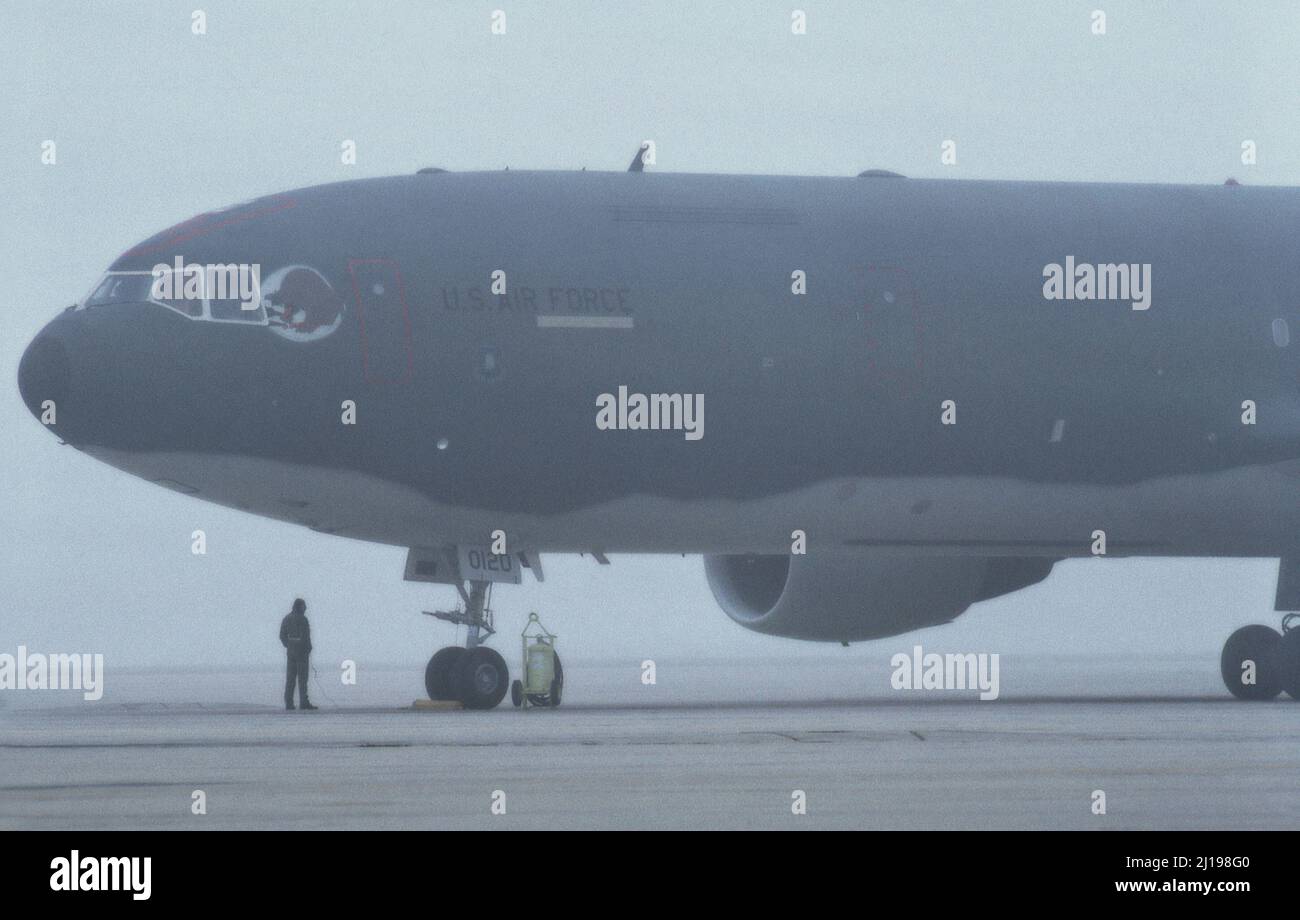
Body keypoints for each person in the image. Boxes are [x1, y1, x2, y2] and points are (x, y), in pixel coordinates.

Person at [279, 598, 317, 710]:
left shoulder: (286, 619)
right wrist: (307, 648)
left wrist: (289, 645)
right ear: (300, 606)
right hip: (301, 653)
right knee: (302, 679)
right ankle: (303, 702)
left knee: (290, 678)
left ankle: (289, 703)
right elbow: (306, 637)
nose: (306, 608)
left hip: (291, 653)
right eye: (304, 606)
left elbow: (282, 636)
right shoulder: (303, 619)